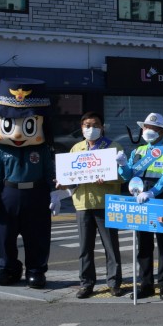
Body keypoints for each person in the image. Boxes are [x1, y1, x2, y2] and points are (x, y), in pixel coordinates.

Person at [0, 78, 64, 289]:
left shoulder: (41, 150)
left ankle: (36, 269)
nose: (18, 133)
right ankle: (9, 267)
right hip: (8, 193)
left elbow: (50, 173)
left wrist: (53, 194)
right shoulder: (2, 150)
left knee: (37, 234)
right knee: (5, 234)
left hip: (36, 194)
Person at [118, 112, 163, 299]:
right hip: (141, 203)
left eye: (153, 128)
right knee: (143, 247)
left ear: (162, 132)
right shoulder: (137, 152)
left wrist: (153, 191)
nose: (149, 131)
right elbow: (128, 176)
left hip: (161, 201)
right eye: (146, 128)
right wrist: (122, 165)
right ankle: (146, 285)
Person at [61, 112, 124, 298]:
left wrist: (107, 178)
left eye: (95, 125)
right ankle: (86, 283)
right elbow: (71, 178)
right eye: (87, 125)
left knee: (111, 247)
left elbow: (124, 175)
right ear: (81, 128)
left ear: (102, 127)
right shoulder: (76, 149)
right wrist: (63, 181)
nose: (91, 128)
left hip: (106, 203)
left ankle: (114, 283)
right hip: (82, 203)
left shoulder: (114, 147)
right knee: (85, 248)